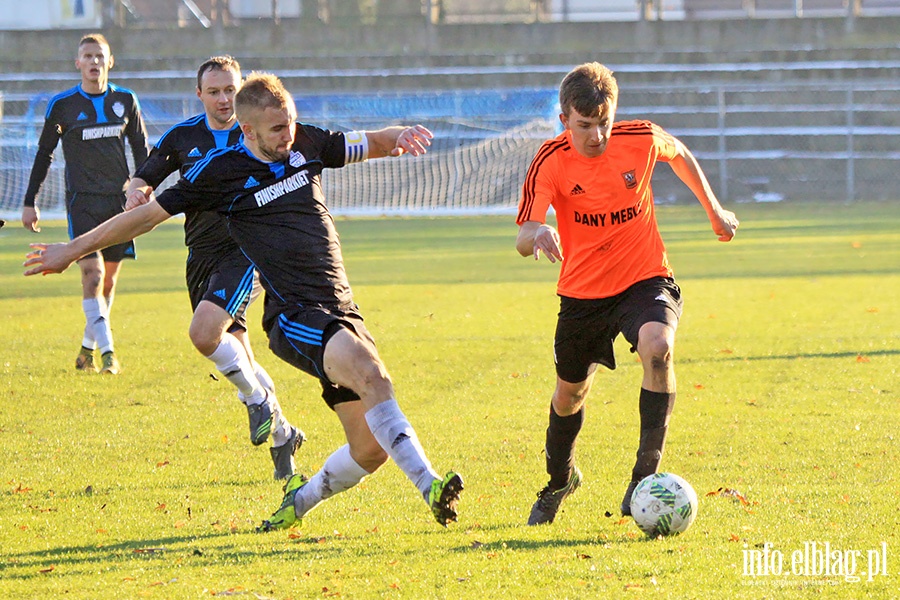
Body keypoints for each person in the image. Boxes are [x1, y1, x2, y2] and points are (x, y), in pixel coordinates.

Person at [25, 72, 464, 529]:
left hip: (341, 309)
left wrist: (400, 135)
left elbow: (370, 142)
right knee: (375, 376)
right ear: (247, 130)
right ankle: (431, 485)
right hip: (293, 315)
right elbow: (141, 219)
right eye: (277, 129)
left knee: (370, 450)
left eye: (290, 123)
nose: (288, 135)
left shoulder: (307, 144)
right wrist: (70, 251)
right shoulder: (219, 171)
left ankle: (299, 500)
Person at [515, 62, 739, 525]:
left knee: (659, 347)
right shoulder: (550, 160)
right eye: (584, 125)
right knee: (568, 396)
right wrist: (537, 235)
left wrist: (714, 211)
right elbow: (523, 234)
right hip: (582, 294)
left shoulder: (640, 138)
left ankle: (644, 478)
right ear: (564, 120)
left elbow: (679, 155)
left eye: (604, 123)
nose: (596, 135)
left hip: (644, 276)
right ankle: (560, 481)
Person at [124, 56, 303, 480]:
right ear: (200, 94)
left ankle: (261, 406)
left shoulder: (258, 135)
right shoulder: (183, 137)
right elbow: (143, 176)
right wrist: (136, 192)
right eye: (215, 91)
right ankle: (283, 436)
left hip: (245, 251)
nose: (224, 99)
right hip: (200, 256)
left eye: (230, 90)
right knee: (239, 355)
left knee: (206, 334)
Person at [21, 33, 148, 375]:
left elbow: (141, 150)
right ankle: (109, 354)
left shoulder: (126, 101)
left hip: (120, 204)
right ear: (78, 63)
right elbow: (44, 153)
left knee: (108, 283)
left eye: (99, 56)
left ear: (110, 61)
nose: (94, 62)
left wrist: (143, 188)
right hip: (82, 203)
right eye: (87, 56)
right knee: (92, 276)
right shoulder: (63, 107)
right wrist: (29, 201)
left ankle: (85, 351)